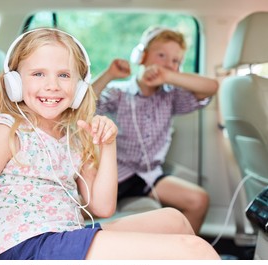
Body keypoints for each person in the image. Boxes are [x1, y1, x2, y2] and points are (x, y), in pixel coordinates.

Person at [0, 28, 220, 260]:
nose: (52, 85)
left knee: (175, 219)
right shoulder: (7, 133)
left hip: (64, 240)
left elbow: (102, 207)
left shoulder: (72, 133)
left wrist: (108, 143)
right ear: (16, 82)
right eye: (38, 74)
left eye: (64, 75)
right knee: (197, 252)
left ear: (80, 87)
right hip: (29, 251)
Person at [92, 26, 219, 234]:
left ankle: (181, 255)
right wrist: (109, 74)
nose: (168, 64)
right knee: (84, 209)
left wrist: (168, 76)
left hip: (149, 175)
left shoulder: (171, 96)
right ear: (142, 56)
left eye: (175, 61)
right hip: (117, 174)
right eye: (161, 55)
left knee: (199, 200)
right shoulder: (120, 93)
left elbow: (211, 87)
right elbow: (85, 103)